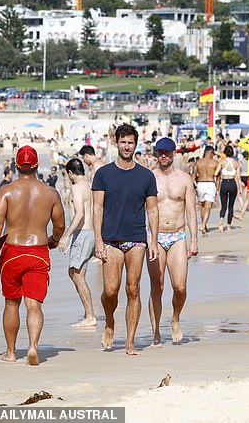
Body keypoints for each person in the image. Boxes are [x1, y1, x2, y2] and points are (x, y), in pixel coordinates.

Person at [0, 145, 65, 365]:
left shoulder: (7, 191)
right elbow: (60, 225)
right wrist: (54, 240)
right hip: (38, 252)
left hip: (12, 252)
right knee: (34, 305)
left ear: (17, 165)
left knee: (11, 304)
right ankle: (32, 347)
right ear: (37, 165)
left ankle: (11, 352)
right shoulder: (50, 193)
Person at [92, 124, 159, 355]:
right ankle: (109, 321)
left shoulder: (146, 176)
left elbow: (152, 210)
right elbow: (97, 209)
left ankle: (130, 340)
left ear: (136, 144)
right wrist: (98, 241)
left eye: (130, 142)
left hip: (137, 239)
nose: (126, 146)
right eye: (123, 142)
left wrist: (153, 239)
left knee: (133, 289)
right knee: (111, 291)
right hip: (110, 239)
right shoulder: (103, 174)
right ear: (116, 143)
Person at [146, 137, 198, 346]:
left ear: (174, 153)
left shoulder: (184, 179)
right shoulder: (149, 178)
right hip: (155, 237)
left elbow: (191, 212)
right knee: (156, 286)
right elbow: (141, 209)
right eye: (160, 152)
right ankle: (156, 330)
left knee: (180, 287)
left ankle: (175, 319)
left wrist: (194, 241)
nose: (164, 156)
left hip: (177, 236)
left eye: (167, 152)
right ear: (156, 154)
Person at [58, 158, 97, 327]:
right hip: (90, 233)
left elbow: (79, 213)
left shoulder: (76, 187)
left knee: (77, 275)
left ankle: (90, 316)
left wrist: (66, 236)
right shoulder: (89, 185)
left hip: (82, 233)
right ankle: (88, 313)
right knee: (74, 273)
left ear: (71, 173)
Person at [214, 145, 241, 233]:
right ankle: (228, 226)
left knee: (224, 206)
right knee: (231, 206)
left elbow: (216, 173)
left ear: (225, 153)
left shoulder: (222, 162)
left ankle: (221, 222)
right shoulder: (236, 163)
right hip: (233, 183)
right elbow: (238, 177)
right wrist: (240, 189)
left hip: (224, 183)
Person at [194, 146, 218, 234]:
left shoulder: (198, 162)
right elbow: (218, 177)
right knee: (208, 207)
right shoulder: (215, 163)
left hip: (200, 184)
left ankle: (205, 226)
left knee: (203, 206)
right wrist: (218, 189)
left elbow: (194, 175)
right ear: (211, 153)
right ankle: (203, 225)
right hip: (210, 184)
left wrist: (194, 187)